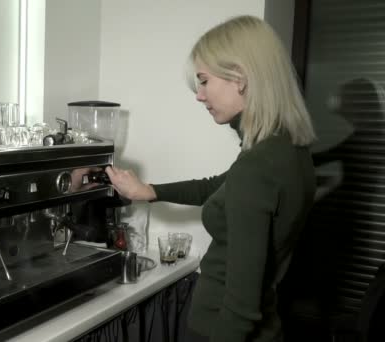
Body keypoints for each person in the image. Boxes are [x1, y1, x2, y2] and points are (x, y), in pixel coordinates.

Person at [105, 15, 316, 342]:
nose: (199, 96)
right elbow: (219, 186)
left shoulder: (259, 165)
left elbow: (242, 307)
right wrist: (148, 191)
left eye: (204, 81)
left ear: (240, 77)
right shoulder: (287, 150)